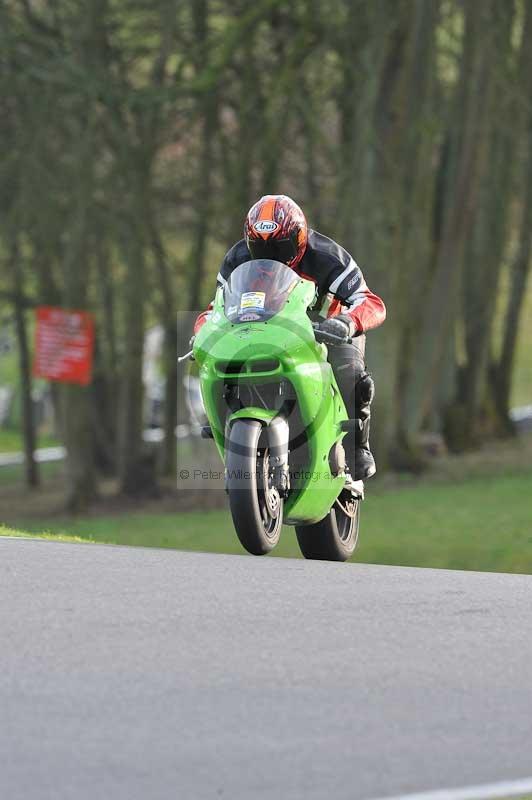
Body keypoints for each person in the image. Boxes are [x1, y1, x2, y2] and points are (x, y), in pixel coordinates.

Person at [193, 194, 386, 480]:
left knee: (352, 373)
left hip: (327, 330)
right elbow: (216, 307)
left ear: (299, 238)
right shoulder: (237, 258)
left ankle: (358, 446)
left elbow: (370, 301)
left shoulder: (328, 257)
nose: (270, 255)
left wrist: (347, 322)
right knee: (218, 364)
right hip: (265, 330)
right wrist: (203, 332)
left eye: (279, 247)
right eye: (260, 247)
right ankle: (226, 423)